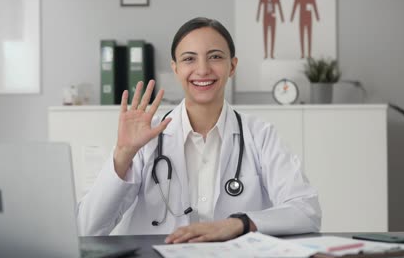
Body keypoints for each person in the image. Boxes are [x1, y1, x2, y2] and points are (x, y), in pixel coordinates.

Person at [77, 17, 321, 243]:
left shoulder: (260, 135)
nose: (202, 70)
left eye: (215, 57)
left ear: (232, 66)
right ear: (175, 68)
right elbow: (86, 230)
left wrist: (238, 224)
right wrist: (123, 154)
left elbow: (306, 211)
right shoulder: (147, 138)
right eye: (189, 59)